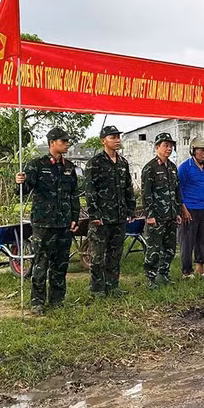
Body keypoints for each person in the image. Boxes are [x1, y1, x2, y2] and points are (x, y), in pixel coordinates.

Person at [15, 127, 80, 316]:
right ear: (52, 143)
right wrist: (20, 182)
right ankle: (37, 302)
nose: (67, 144)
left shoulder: (69, 167)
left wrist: (74, 218)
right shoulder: (37, 165)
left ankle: (57, 300)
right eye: (63, 141)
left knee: (60, 264)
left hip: (64, 223)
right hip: (44, 224)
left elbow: (73, 195)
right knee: (41, 263)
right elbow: (24, 189)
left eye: (67, 141)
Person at [84, 125, 136, 298]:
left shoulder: (122, 162)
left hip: (119, 216)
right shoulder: (95, 163)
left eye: (118, 137)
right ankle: (97, 288)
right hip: (101, 218)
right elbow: (90, 190)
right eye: (113, 137)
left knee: (115, 253)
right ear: (103, 140)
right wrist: (95, 215)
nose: (117, 140)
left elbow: (128, 188)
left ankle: (113, 286)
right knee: (97, 255)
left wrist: (130, 209)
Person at [140, 132, 183, 289]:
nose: (169, 148)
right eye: (165, 145)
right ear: (157, 147)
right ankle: (150, 278)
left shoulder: (172, 167)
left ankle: (163, 274)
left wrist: (177, 212)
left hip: (171, 216)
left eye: (171, 145)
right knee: (154, 250)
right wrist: (150, 215)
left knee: (170, 249)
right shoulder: (150, 168)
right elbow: (146, 194)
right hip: (156, 217)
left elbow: (176, 191)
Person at [177, 137, 204, 279]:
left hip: (203, 208)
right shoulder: (184, 167)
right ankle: (186, 272)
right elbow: (179, 189)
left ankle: (200, 268)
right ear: (193, 151)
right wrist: (183, 209)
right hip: (189, 209)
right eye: (201, 150)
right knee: (187, 241)